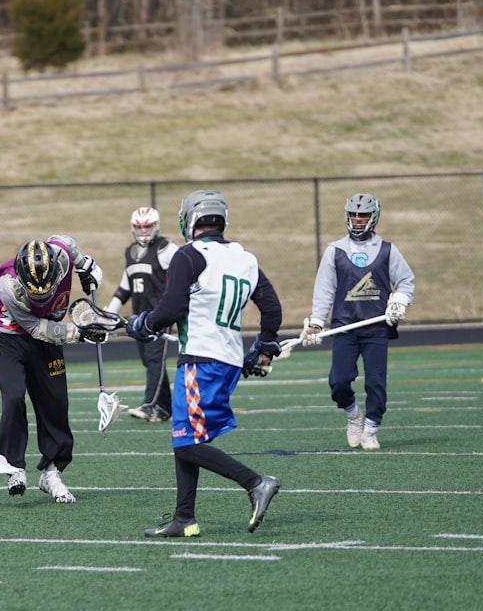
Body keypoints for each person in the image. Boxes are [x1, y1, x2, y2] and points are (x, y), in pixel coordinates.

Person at [125, 189, 283, 537]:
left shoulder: (188, 255)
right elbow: (271, 309)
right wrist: (265, 349)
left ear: (188, 220)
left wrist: (143, 325)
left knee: (185, 442)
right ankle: (185, 518)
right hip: (226, 360)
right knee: (186, 434)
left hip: (200, 360)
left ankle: (255, 482)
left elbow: (169, 310)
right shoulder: (245, 257)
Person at [0, 235, 103, 503]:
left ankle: (52, 472)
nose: (44, 294)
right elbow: (37, 329)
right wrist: (80, 333)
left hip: (47, 330)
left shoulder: (62, 255)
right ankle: (14, 466)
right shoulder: (8, 286)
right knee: (13, 395)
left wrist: (86, 265)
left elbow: (66, 241)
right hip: (7, 336)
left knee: (55, 402)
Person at [299, 193, 415, 451]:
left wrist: (399, 300)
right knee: (338, 381)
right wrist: (317, 322)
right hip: (344, 327)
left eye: (363, 215)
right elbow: (324, 289)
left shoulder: (387, 250)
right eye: (353, 215)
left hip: (376, 327)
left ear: (374, 217)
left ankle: (371, 428)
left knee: (376, 382)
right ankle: (353, 415)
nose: (358, 220)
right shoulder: (335, 250)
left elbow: (406, 281)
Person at [104, 206, 180, 423]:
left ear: (156, 227)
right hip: (139, 318)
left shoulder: (166, 249)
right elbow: (124, 287)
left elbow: (183, 276)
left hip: (161, 315)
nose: (143, 231)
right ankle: (165, 408)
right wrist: (110, 313)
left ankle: (149, 404)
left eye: (147, 227)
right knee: (150, 361)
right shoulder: (130, 252)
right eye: (139, 227)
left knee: (155, 359)